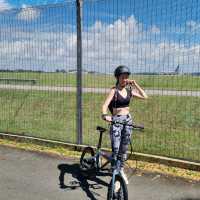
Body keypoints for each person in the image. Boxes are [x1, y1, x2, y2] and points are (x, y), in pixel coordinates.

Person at [101, 65, 148, 185]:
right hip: (116, 121)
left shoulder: (129, 91)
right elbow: (104, 105)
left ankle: (120, 170)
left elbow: (144, 96)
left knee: (124, 148)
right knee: (116, 149)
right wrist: (105, 115)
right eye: (123, 77)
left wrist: (135, 84)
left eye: (127, 77)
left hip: (128, 121)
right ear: (117, 77)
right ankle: (115, 172)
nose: (125, 79)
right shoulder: (114, 90)